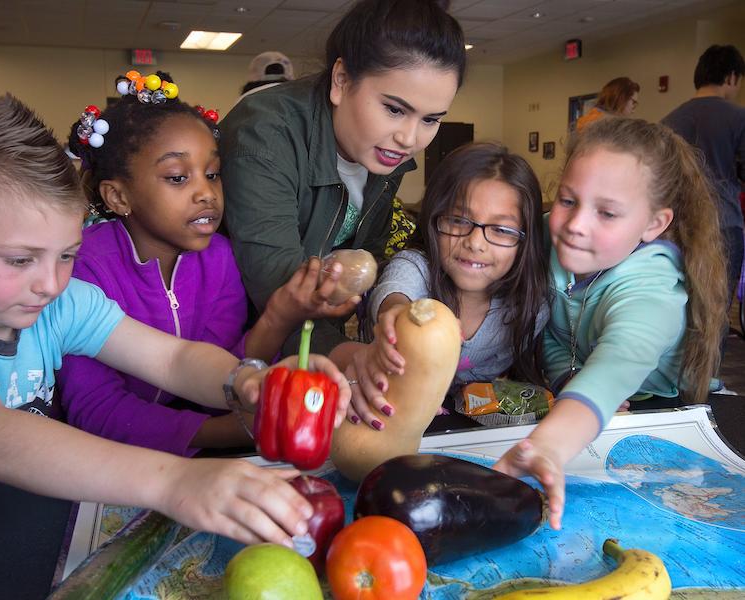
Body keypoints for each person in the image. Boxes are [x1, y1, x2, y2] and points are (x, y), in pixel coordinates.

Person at [0, 95, 352, 548]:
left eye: (66, 255)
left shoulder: (62, 303)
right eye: (20, 259)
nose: (50, 283)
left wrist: (252, 381)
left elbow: (173, 359)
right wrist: (175, 482)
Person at [58, 72, 355, 456]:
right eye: (178, 177)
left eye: (213, 174)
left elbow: (224, 370)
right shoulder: (83, 270)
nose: (206, 193)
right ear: (118, 196)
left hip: (195, 449)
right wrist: (225, 432)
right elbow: (96, 410)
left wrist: (279, 315)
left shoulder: (220, 258)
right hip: (103, 461)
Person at [494, 117, 727, 530]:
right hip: (586, 406)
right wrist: (565, 375)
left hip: (672, 410)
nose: (576, 224)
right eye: (567, 200)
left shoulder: (651, 287)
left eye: (607, 213)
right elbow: (553, 330)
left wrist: (548, 444)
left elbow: (617, 366)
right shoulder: (553, 246)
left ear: (654, 224)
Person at [219, 0, 466, 356]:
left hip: (313, 346)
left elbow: (368, 258)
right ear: (341, 80)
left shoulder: (384, 150)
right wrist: (353, 363)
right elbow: (279, 289)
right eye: (395, 109)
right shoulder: (264, 136)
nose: (410, 139)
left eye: (430, 119)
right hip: (230, 349)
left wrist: (390, 311)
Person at [338, 143, 549, 425]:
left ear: (525, 240)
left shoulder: (530, 307)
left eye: (500, 230)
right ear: (433, 220)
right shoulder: (418, 267)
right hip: (382, 414)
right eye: (459, 221)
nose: (475, 243)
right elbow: (395, 292)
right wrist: (401, 317)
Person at [662, 45, 745, 318]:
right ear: (732, 77)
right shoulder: (738, 118)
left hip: (677, 226)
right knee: (714, 315)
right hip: (724, 226)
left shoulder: (668, 121)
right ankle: (709, 363)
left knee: (679, 308)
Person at [575, 77, 640, 131]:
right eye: (633, 102)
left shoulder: (609, 121)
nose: (633, 109)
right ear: (621, 98)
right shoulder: (597, 123)